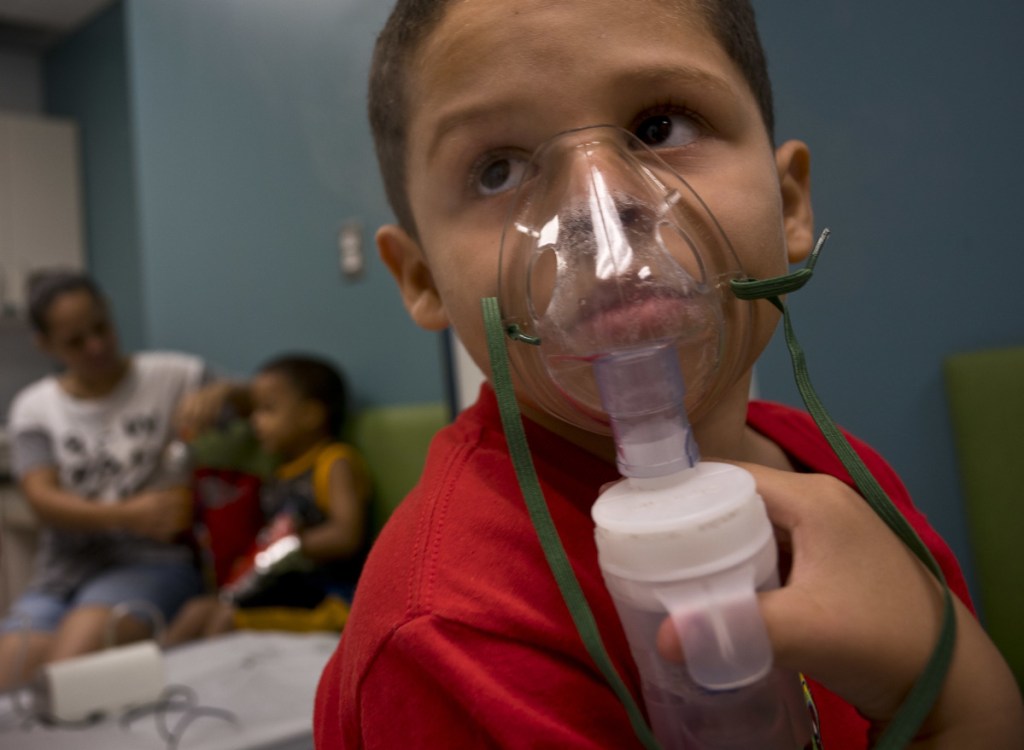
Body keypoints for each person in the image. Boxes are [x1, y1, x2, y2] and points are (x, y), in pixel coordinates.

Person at [313, 1, 1024, 748]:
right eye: (499, 170)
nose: (602, 211)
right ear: (422, 277)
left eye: (660, 126)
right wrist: (961, 703)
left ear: (787, 203)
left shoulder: (842, 480)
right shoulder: (457, 630)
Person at [0, 271, 210, 691]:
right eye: (75, 341)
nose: (96, 347)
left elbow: (263, 398)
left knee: (64, 676)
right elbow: (41, 496)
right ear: (45, 344)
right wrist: (128, 514)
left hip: (152, 562)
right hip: (61, 574)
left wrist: (226, 395)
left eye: (101, 328)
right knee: (9, 676)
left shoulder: (174, 375)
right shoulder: (34, 406)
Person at [165, 354, 370, 645]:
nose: (254, 422)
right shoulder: (278, 471)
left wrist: (287, 548)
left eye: (267, 410)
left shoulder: (334, 462)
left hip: (329, 598)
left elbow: (347, 534)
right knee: (197, 611)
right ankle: (148, 677)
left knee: (223, 622)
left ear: (310, 415)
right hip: (284, 589)